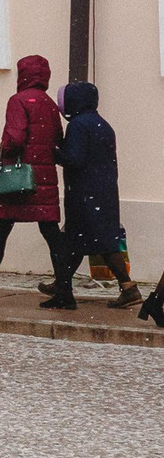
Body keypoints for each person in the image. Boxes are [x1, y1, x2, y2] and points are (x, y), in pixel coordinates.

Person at [0, 53, 66, 305]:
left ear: (23, 74)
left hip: (18, 180)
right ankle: (65, 291)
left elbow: (14, 139)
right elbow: (57, 141)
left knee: (0, 232)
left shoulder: (18, 101)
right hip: (43, 178)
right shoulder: (50, 104)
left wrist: (4, 152)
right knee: (51, 234)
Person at [45, 82, 137, 310]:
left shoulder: (78, 125)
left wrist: (53, 152)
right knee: (83, 240)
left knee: (95, 241)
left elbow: (74, 158)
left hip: (85, 192)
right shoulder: (102, 124)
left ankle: (128, 288)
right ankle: (62, 283)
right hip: (103, 191)